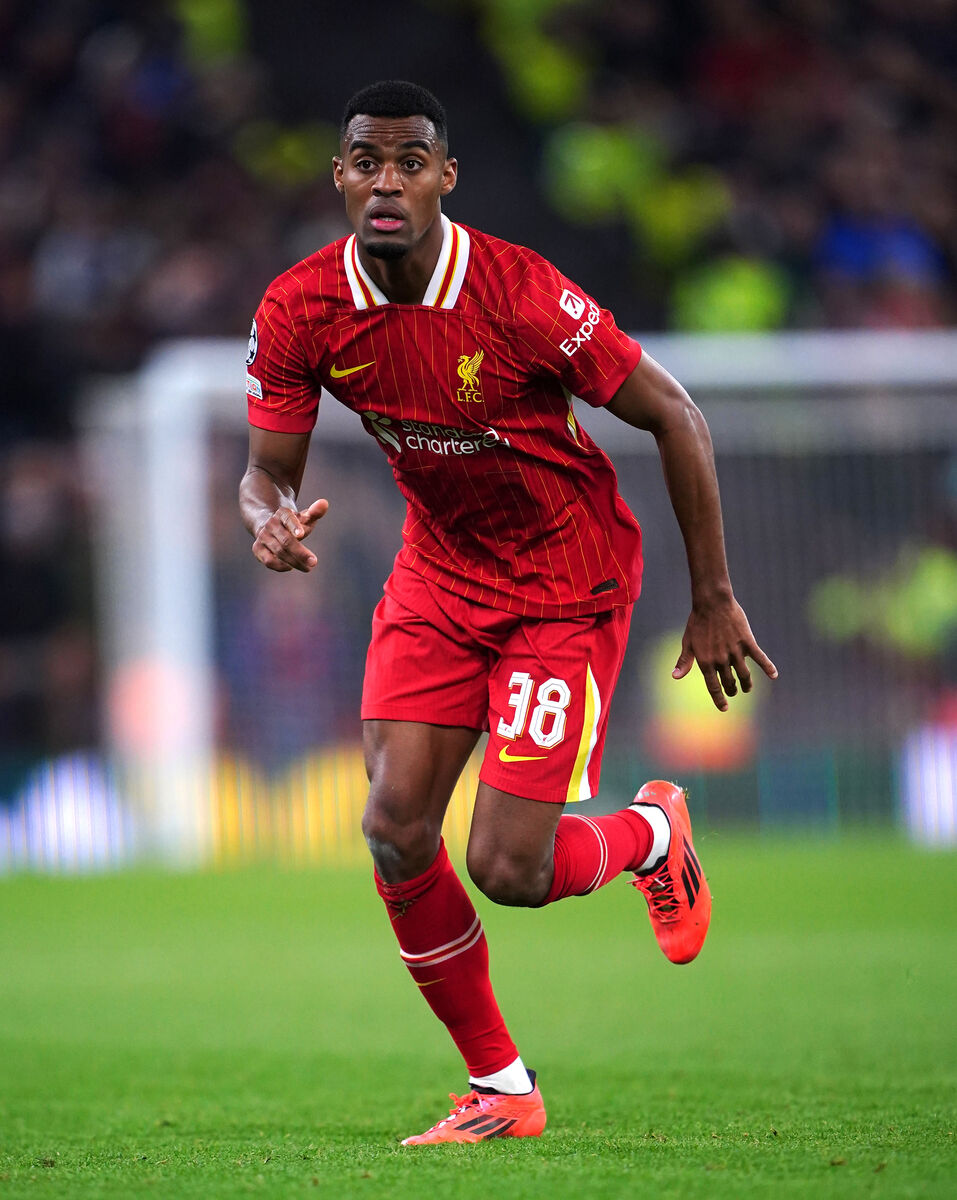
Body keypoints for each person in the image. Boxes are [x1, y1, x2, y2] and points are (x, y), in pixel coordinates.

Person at [239, 79, 777, 1146]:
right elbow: (266, 475)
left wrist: (712, 595)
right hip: (438, 578)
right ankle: (502, 1087)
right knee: (394, 830)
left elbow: (676, 415)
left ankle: (649, 832)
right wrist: (268, 519)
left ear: (444, 176)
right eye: (365, 162)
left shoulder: (521, 294)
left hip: (562, 588)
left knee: (509, 870)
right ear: (340, 177)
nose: (386, 180)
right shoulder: (300, 307)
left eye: (409, 161)